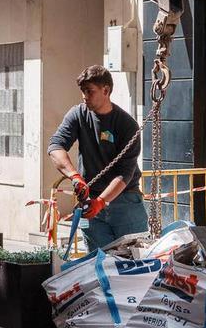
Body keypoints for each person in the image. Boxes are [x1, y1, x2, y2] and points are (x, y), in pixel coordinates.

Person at [48, 65, 147, 254]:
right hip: (90, 201)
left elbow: (124, 174)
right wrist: (75, 176)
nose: (85, 96)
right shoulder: (77, 114)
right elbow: (55, 147)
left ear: (106, 90)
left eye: (89, 91)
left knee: (133, 263)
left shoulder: (127, 125)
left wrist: (101, 202)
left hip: (125, 203)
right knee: (98, 263)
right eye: (82, 91)